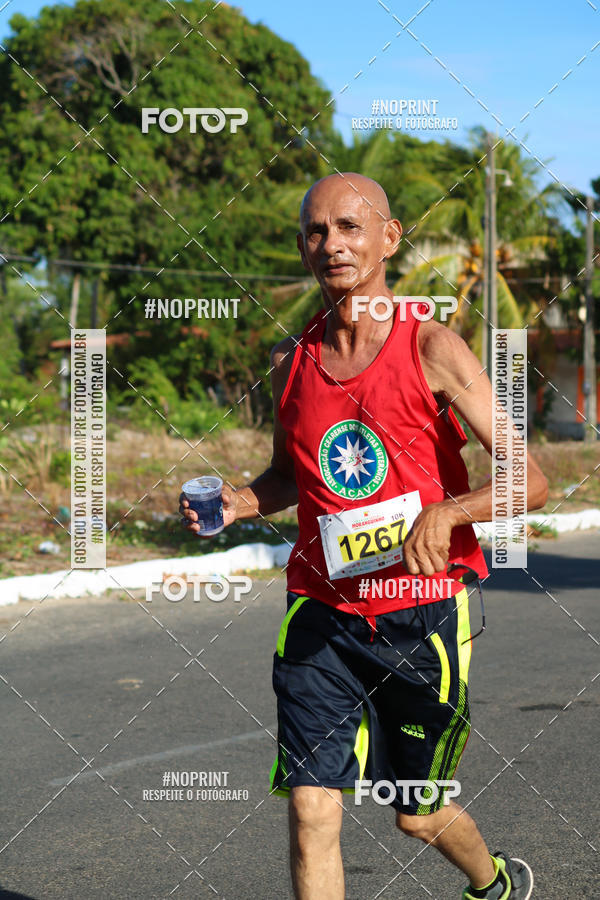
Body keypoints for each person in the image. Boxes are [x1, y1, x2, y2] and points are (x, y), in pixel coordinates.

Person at [180, 172, 547, 899]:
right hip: (321, 613)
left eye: (350, 227)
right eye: (316, 232)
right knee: (312, 808)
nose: (332, 245)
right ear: (302, 247)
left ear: (389, 237)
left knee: (418, 814)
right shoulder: (291, 362)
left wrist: (447, 513)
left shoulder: (432, 346)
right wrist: (239, 501)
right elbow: (289, 477)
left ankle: (495, 882)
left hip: (421, 614)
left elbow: (529, 479)